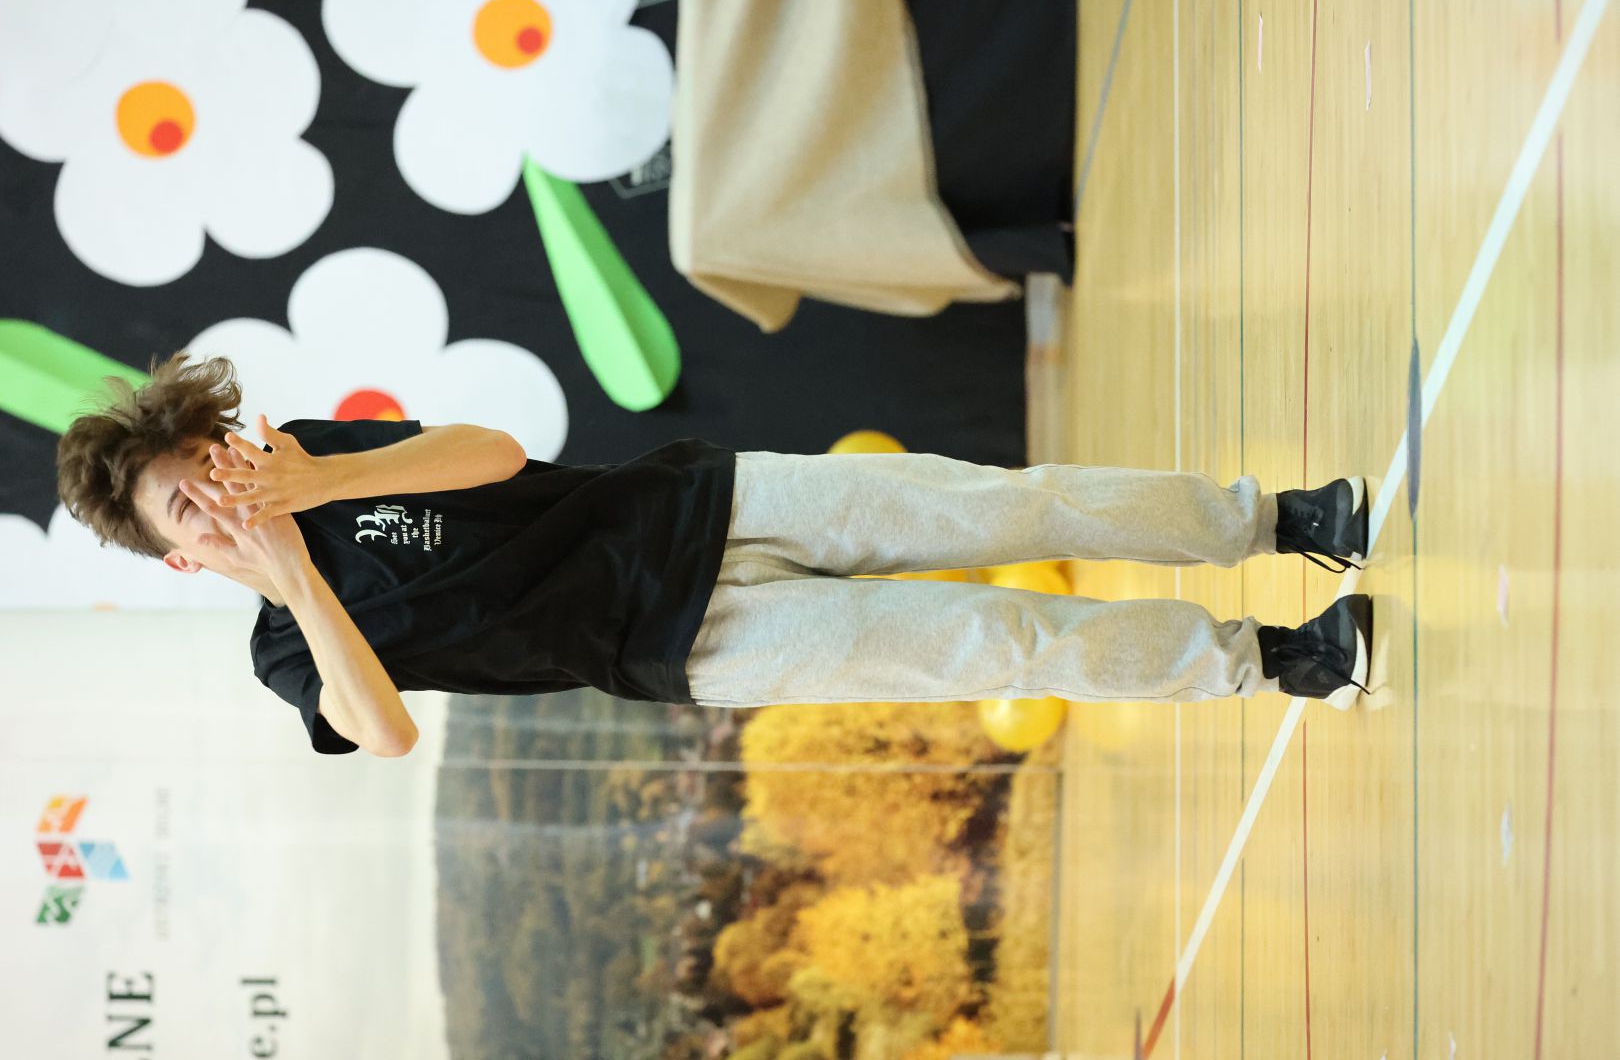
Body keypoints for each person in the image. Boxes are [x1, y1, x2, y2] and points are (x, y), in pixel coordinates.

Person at [55, 353, 1373, 758]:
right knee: (1001, 639)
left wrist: (326, 479)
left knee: (1009, 508)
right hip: (695, 645)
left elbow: (497, 454)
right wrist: (290, 566)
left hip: (714, 503)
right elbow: (383, 733)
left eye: (207, 467)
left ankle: (1276, 522)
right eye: (185, 510)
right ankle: (1279, 663)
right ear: (177, 559)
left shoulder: (321, 460)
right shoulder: (286, 651)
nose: (215, 499)